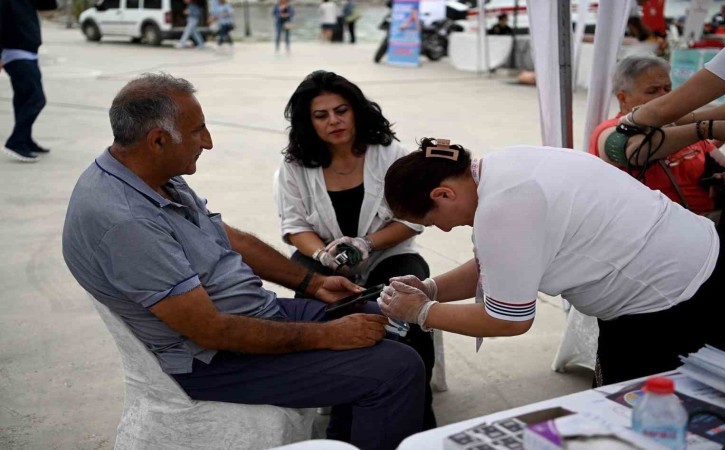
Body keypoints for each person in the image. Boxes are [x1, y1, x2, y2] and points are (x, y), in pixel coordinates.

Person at [61, 73, 425, 450]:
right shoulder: (125, 221)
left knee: (384, 316)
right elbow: (209, 331)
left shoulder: (151, 174)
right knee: (396, 368)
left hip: (253, 317)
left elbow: (225, 235)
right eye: (198, 131)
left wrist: (312, 284)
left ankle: (343, 442)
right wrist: (328, 336)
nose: (208, 142)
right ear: (157, 140)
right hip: (215, 360)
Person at [379, 138, 725, 386]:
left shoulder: (502, 209)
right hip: (715, 265)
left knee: (637, 425)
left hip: (672, 306)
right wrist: (432, 289)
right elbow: (497, 265)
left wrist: (422, 312)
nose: (443, 231)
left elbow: (509, 319)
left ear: (443, 193)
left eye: (431, 222)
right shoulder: (502, 166)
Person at [275, 70, 437, 429]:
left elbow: (413, 218)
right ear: (308, 122)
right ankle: (343, 403)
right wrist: (323, 255)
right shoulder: (294, 165)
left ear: (357, 111)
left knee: (407, 309)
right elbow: (294, 227)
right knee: (322, 307)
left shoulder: (390, 153)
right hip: (323, 258)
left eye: (341, 110)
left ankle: (417, 413)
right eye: (321, 115)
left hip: (388, 253)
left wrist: (366, 244)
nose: (334, 121)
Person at [589, 56, 725, 215]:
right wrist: (704, 129)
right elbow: (633, 152)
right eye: (652, 91)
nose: (664, 96)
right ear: (623, 98)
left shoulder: (680, 127)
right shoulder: (609, 130)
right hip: (654, 230)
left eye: (667, 89)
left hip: (712, 226)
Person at [0, 0, 57, 163]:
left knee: (23, 99)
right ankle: (16, 142)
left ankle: (25, 139)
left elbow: (49, 6)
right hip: (16, 54)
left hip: (29, 54)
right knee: (36, 99)